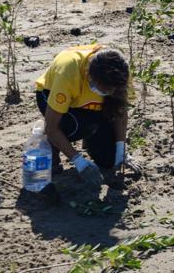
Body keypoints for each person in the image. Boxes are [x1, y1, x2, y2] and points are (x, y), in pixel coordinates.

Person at [35, 44, 135, 183]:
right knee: (79, 126)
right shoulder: (68, 73)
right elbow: (51, 127)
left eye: (111, 90)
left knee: (108, 160)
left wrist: (120, 149)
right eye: (104, 89)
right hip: (51, 95)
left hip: (90, 108)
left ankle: (90, 139)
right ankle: (49, 143)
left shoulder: (119, 71)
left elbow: (120, 110)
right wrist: (79, 162)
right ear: (89, 76)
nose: (109, 93)